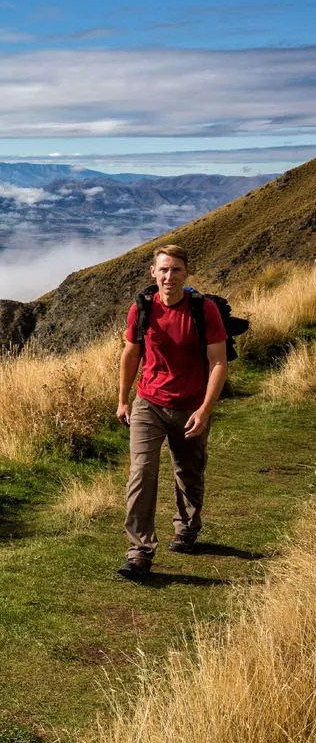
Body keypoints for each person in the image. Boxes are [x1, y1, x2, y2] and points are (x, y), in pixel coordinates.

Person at [115, 244, 228, 582]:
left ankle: (187, 528)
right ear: (153, 272)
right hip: (148, 402)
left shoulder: (203, 310)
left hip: (190, 404)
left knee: (188, 472)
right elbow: (130, 355)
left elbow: (219, 362)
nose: (169, 276)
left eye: (176, 270)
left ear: (186, 273)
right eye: (163, 270)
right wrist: (123, 400)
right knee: (141, 472)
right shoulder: (143, 309)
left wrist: (205, 410)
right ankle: (139, 551)